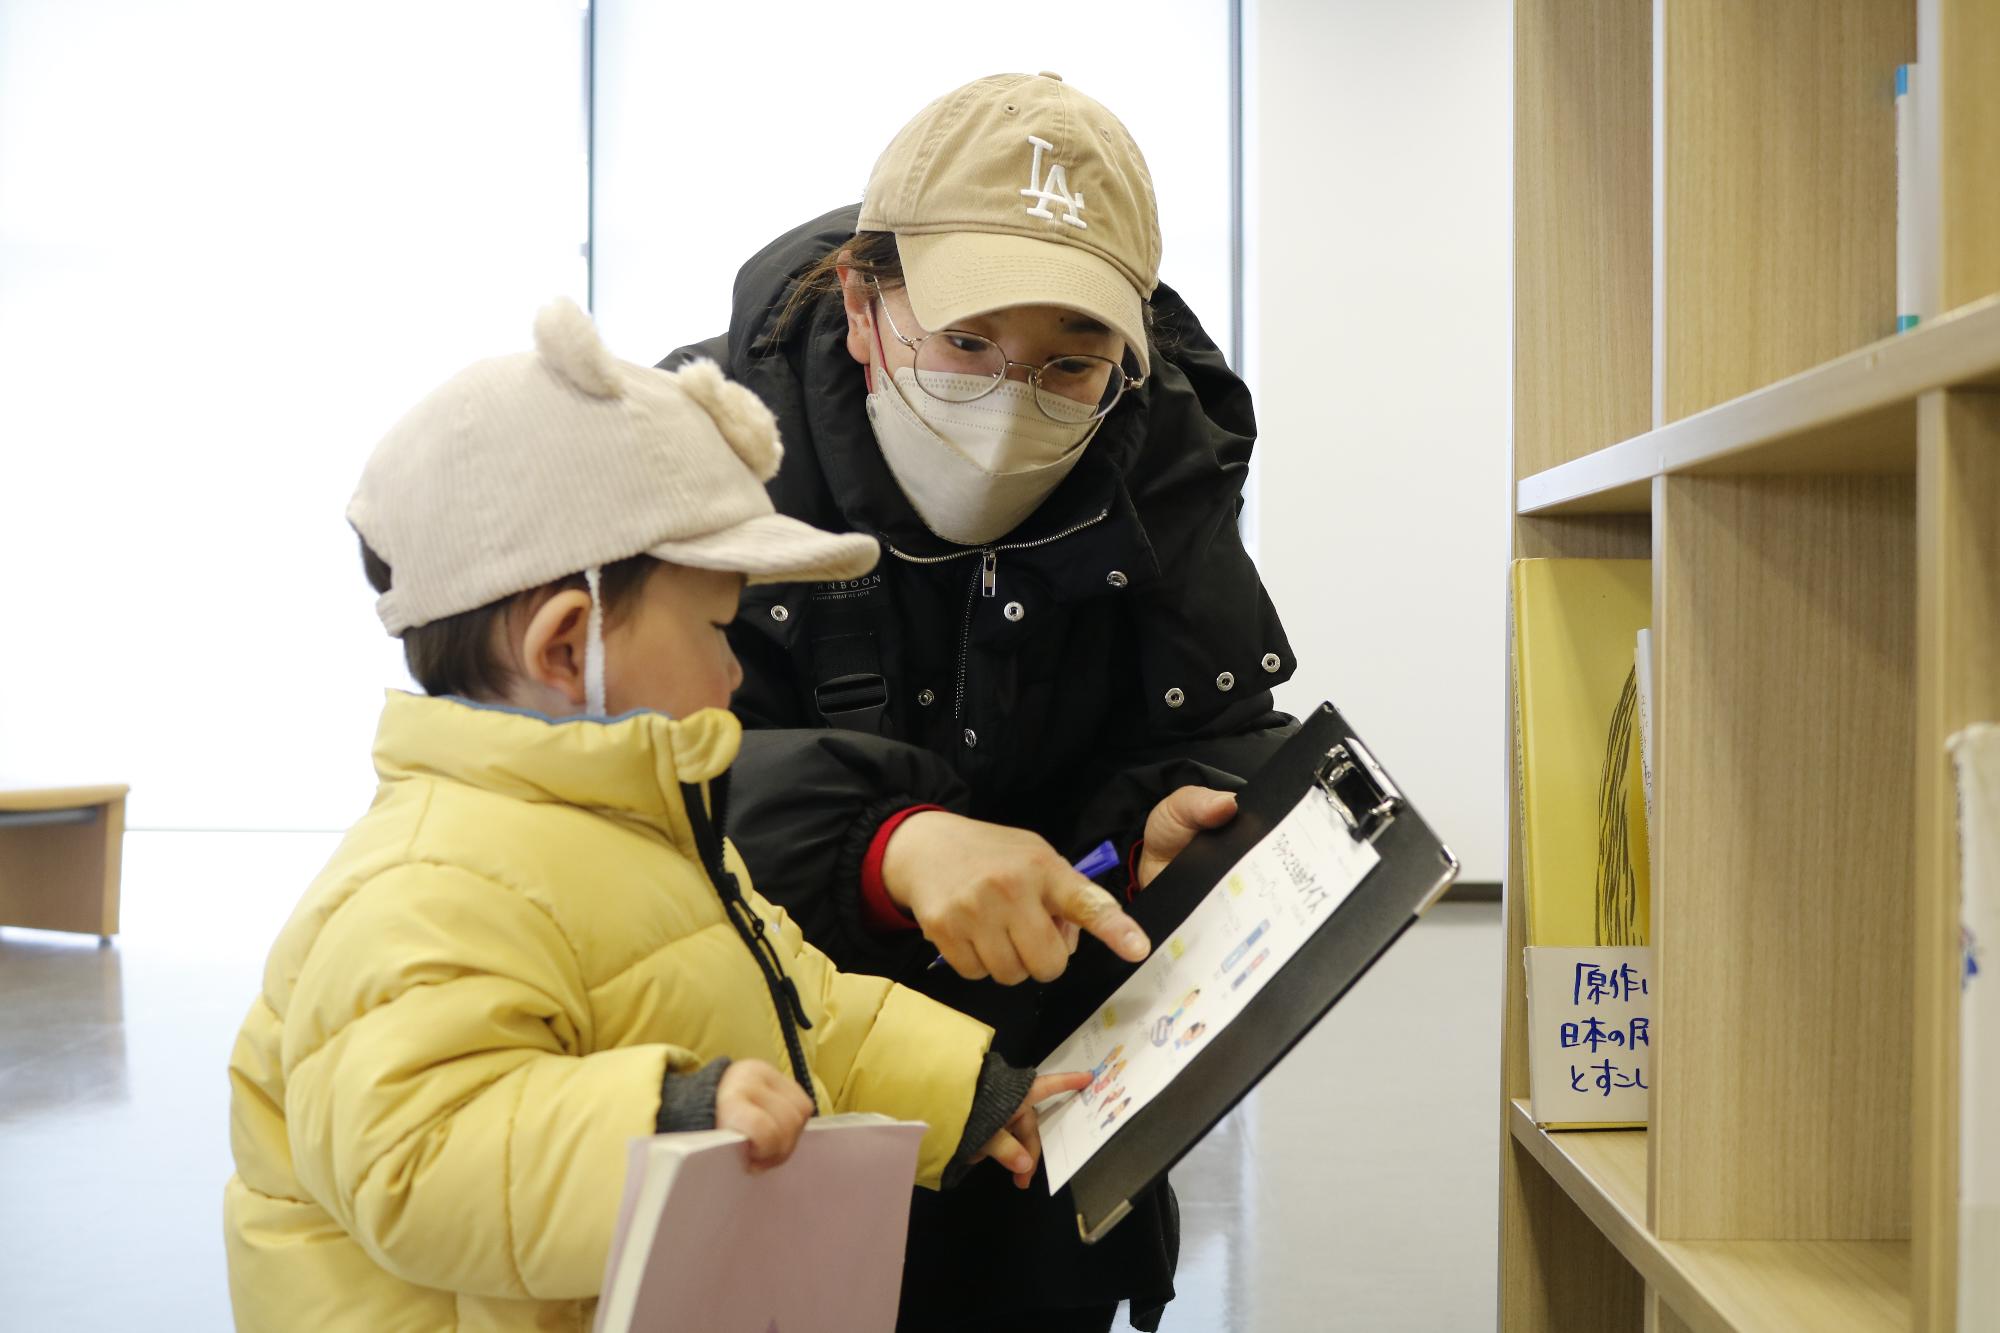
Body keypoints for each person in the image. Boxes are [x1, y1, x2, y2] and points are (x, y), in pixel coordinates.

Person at [222, 300, 1087, 1332]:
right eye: (718, 626)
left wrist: (970, 1085)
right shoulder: (427, 886)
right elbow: (415, 1158)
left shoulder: (642, 830)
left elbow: (796, 1012)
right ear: (564, 644)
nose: (734, 667)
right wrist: (664, 1117)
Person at [663, 72, 1297, 1332]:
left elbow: (1198, 736)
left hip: (1032, 1113)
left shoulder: (1159, 465)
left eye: (1070, 362)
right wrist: (887, 844)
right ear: (860, 302)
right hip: (760, 1089)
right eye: (965, 343)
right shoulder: (687, 451)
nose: (1014, 400)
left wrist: (1158, 829)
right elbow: (591, 779)